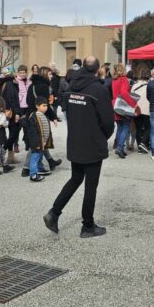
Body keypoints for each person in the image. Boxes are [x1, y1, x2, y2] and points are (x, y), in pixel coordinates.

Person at [43, 56, 113, 238]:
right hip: (92, 143)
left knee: (75, 178)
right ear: (98, 70)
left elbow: (67, 111)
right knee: (91, 185)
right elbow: (107, 121)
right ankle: (87, 225)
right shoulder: (99, 89)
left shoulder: (71, 86)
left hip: (75, 141)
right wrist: (103, 137)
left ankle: (54, 212)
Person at [111, 62, 138, 158]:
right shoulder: (123, 79)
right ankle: (120, 148)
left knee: (119, 127)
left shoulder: (114, 80)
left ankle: (119, 147)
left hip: (115, 104)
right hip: (123, 105)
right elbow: (124, 93)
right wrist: (133, 103)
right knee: (126, 126)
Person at [24, 97, 52, 182]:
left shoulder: (43, 115)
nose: (46, 107)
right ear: (37, 106)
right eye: (43, 105)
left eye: (46, 105)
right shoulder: (34, 117)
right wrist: (37, 144)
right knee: (35, 158)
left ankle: (40, 169)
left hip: (42, 142)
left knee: (39, 157)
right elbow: (33, 133)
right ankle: (33, 174)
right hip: (37, 143)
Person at [131, 69, 151, 153]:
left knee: (138, 128)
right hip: (147, 110)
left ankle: (140, 146)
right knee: (148, 128)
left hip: (137, 109)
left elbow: (131, 97)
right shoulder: (150, 86)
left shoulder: (135, 86)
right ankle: (143, 144)